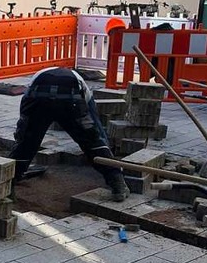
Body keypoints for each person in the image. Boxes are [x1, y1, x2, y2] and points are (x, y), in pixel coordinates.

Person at [9, 66, 129, 201]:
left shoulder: (38, 76)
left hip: (39, 98)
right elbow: (94, 120)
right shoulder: (81, 84)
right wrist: (101, 142)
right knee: (91, 142)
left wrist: (22, 133)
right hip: (71, 101)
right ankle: (117, 183)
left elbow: (25, 106)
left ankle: (7, 185)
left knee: (26, 144)